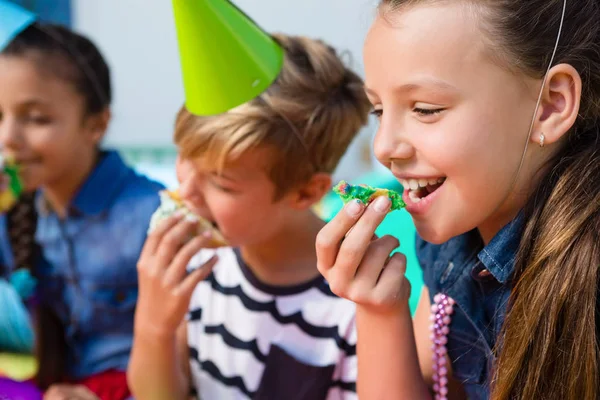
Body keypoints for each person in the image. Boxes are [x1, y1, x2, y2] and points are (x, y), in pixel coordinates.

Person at [314, 0, 600, 399]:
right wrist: (380, 310)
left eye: (426, 109)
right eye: (379, 111)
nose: (383, 147)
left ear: (550, 104)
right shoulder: (448, 248)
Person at [128, 34, 372, 400]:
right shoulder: (199, 261)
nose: (186, 191)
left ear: (305, 192)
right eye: (184, 158)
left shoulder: (354, 299)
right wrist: (152, 326)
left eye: (221, 183)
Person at [0, 22, 163, 399]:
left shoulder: (150, 216)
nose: (8, 137)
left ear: (97, 123)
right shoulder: (16, 214)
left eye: (36, 118)